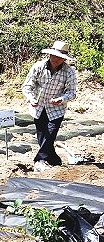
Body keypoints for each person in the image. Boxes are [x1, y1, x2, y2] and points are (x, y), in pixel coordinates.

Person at [21, 40, 77, 172]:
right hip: (38, 106)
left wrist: (61, 99)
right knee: (42, 135)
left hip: (56, 109)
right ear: (50, 54)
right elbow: (27, 86)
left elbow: (72, 93)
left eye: (59, 57)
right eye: (54, 55)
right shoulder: (38, 67)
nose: (56, 59)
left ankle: (39, 160)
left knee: (50, 133)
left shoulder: (69, 72)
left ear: (64, 59)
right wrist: (31, 98)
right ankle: (54, 160)